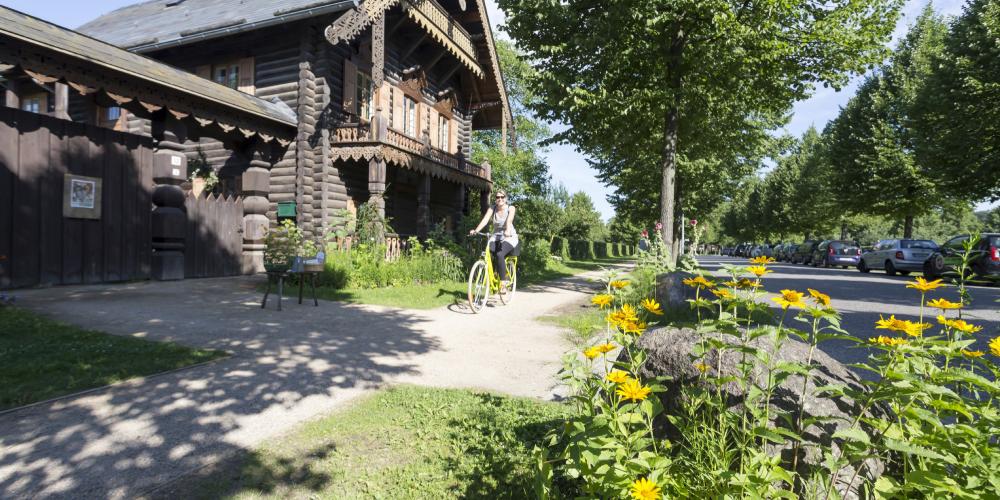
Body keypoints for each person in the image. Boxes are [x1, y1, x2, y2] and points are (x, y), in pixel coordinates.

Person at [469, 189, 519, 292]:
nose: (499, 199)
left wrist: (508, 230)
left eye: (502, 197)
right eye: (497, 197)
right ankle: (494, 273)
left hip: (509, 236)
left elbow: (509, 220)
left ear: (506, 198)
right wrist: (476, 230)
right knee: (488, 251)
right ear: (495, 199)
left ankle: (503, 283)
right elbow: (485, 220)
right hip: (496, 236)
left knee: (500, 254)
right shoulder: (492, 208)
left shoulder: (511, 208)